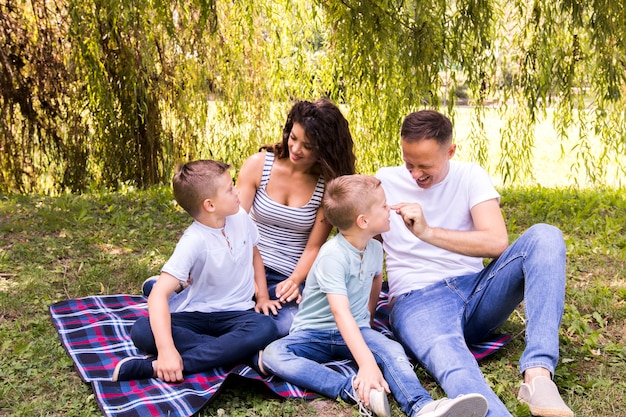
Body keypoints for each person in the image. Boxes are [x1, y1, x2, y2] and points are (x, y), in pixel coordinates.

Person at [375, 109, 574, 417]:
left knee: (545, 237)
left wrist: (427, 233)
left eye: (425, 165)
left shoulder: (470, 176)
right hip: (417, 301)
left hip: (476, 291)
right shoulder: (384, 180)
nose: (415, 173)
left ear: (450, 151)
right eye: (408, 162)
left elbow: (496, 243)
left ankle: (537, 375)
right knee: (456, 370)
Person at [262, 175, 489, 417]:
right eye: (383, 205)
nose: (389, 208)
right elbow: (340, 313)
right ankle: (353, 390)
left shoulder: (373, 248)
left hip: (357, 328)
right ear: (363, 221)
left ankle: (421, 406)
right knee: (274, 355)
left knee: (391, 350)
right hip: (313, 332)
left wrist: (369, 318)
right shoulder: (332, 255)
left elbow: (376, 280)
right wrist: (367, 364)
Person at [112, 160, 278, 382]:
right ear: (209, 205)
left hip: (238, 314)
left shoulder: (240, 218)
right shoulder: (194, 241)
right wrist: (166, 349)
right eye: (229, 189)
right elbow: (158, 295)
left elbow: (255, 255)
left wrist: (263, 296)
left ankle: (156, 368)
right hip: (197, 314)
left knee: (266, 327)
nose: (237, 191)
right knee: (142, 330)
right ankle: (242, 354)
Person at [236, 98, 357, 337]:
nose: (296, 149)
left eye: (308, 146)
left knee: (288, 325)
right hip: (245, 264)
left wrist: (294, 280)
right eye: (293, 138)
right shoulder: (258, 166)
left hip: (285, 276)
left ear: (326, 147)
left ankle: (241, 325)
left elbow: (314, 246)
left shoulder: (327, 187)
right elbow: (233, 226)